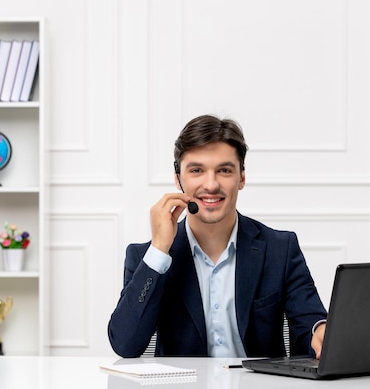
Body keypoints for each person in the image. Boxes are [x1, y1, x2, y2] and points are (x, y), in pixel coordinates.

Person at [108, 114, 327, 358]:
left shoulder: (280, 249)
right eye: (196, 170)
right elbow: (125, 344)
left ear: (241, 178)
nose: (211, 185)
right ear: (178, 179)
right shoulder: (146, 257)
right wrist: (160, 249)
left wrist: (320, 330)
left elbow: (310, 322)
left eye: (224, 170)